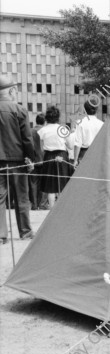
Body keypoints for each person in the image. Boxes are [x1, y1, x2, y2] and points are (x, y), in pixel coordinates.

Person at [0, 75, 36, 243]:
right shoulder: (19, 110)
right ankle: (25, 232)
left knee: (0, 198)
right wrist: (31, 159)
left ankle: (1, 235)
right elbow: (27, 139)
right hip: (17, 161)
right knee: (22, 196)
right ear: (12, 90)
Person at [37, 106, 74, 208]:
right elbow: (71, 146)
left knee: (50, 186)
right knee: (62, 184)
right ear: (58, 117)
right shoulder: (62, 129)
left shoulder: (42, 130)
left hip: (48, 156)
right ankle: (61, 209)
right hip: (62, 155)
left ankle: (51, 211)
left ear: (46, 117)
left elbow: (39, 148)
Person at [73, 100, 104, 166]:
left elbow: (78, 143)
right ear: (96, 110)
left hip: (84, 154)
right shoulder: (101, 124)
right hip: (98, 154)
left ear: (85, 109)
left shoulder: (80, 123)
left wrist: (75, 160)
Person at [28, 114, 46, 210]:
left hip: (33, 160)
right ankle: (41, 204)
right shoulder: (46, 130)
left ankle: (34, 204)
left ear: (36, 121)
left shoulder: (30, 131)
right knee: (43, 182)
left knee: (33, 183)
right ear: (44, 121)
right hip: (44, 159)